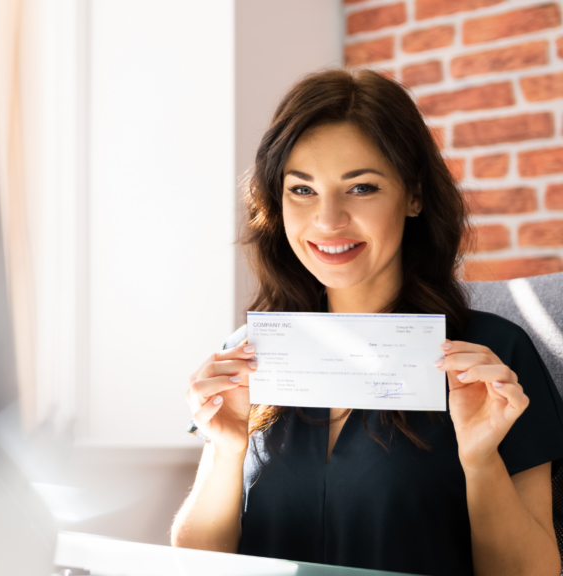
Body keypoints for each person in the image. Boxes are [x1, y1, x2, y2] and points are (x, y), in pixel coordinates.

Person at [170, 68, 563, 576]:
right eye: (302, 190)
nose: (328, 220)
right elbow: (196, 566)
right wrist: (226, 449)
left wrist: (481, 459)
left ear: (414, 195)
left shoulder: (493, 355)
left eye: (361, 188)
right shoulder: (251, 353)